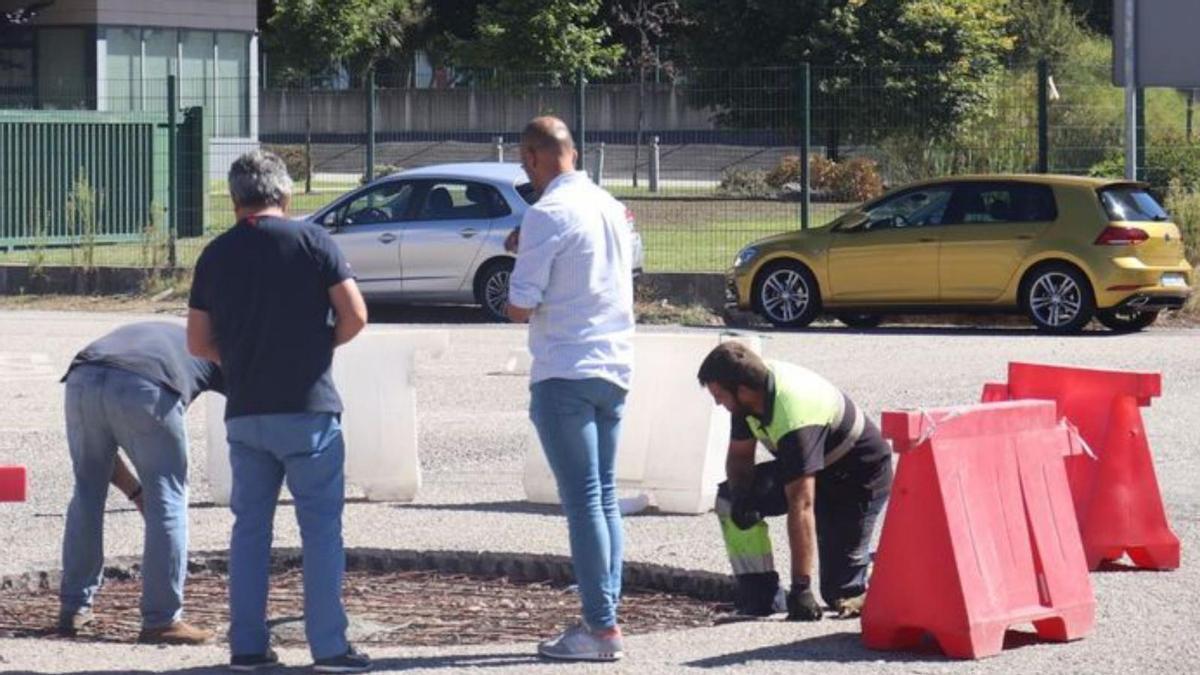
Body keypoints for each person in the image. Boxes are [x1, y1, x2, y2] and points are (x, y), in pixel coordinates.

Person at [187, 150, 370, 673]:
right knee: (320, 531)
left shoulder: (215, 255)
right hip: (307, 406)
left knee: (249, 532)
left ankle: (247, 646)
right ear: (285, 195)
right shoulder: (313, 241)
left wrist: (242, 357)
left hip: (246, 411)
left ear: (235, 199)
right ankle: (330, 648)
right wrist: (318, 347)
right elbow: (356, 314)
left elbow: (198, 342)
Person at [505, 116, 635, 662]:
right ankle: (605, 614)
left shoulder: (546, 213)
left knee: (583, 504)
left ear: (533, 158)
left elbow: (518, 307)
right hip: (614, 365)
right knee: (604, 499)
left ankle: (600, 629)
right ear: (573, 153)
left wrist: (520, 251)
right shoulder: (609, 205)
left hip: (565, 368)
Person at [697, 341, 893, 620]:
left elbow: (801, 505)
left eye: (718, 395)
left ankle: (878, 566)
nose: (717, 402)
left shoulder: (794, 413)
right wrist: (742, 497)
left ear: (741, 390)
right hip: (818, 466)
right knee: (729, 499)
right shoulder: (747, 400)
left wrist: (801, 588)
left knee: (840, 592)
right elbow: (740, 459)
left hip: (858, 477)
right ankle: (760, 596)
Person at [58, 321, 223, 644]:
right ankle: (162, 620)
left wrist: (135, 492)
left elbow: (106, 457)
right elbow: (253, 414)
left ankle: (73, 606)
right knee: (169, 498)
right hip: (147, 383)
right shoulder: (220, 351)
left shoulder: (168, 333)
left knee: (87, 491)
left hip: (82, 376)